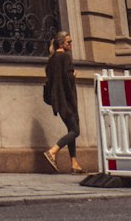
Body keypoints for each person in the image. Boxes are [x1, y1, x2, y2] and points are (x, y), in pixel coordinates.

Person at [42, 30, 83, 173]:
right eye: (69, 42)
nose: (71, 45)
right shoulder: (65, 57)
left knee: (71, 129)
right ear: (61, 43)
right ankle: (53, 151)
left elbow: (51, 78)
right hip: (67, 100)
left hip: (57, 100)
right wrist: (73, 75)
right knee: (75, 131)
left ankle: (74, 163)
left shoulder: (52, 59)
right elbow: (67, 79)